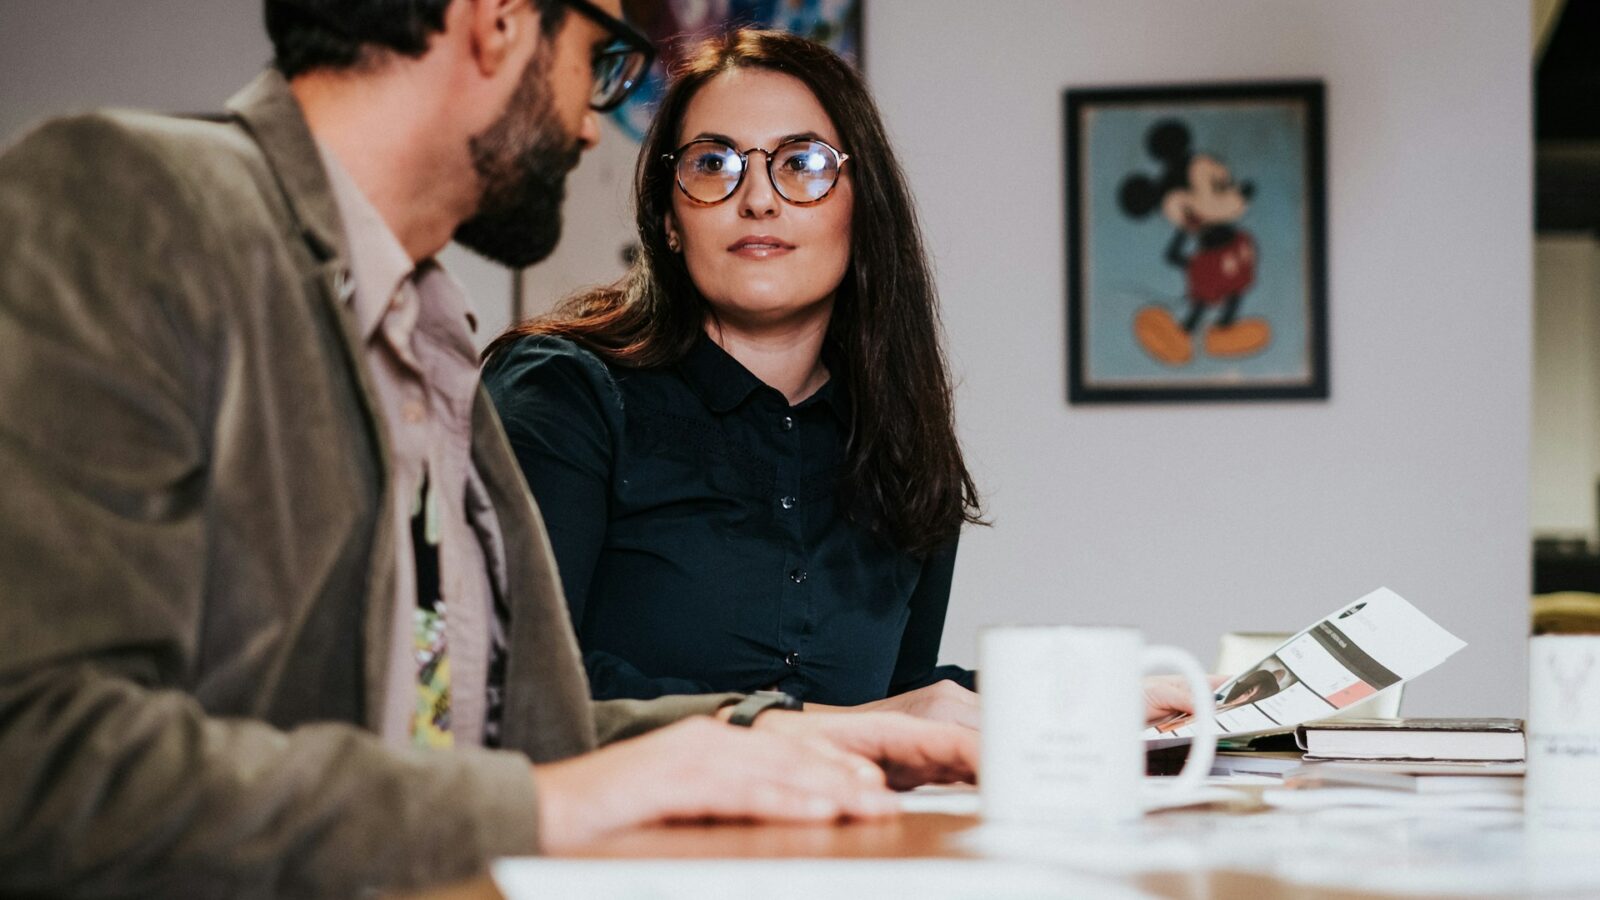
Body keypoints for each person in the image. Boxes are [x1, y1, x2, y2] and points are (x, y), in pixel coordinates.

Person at [0, 2, 980, 896]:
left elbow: (480, 723)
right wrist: (551, 806)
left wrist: (771, 731)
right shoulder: (126, 199)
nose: (596, 124)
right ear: (499, 23)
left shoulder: (426, 328)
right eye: (599, 62)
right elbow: (39, 764)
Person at [482, 30, 985, 726]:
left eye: (803, 162)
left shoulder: (900, 442)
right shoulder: (563, 393)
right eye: (713, 162)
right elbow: (514, 681)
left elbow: (905, 693)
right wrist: (838, 731)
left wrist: (1095, 698)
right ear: (667, 219)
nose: (757, 199)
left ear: (862, 209)